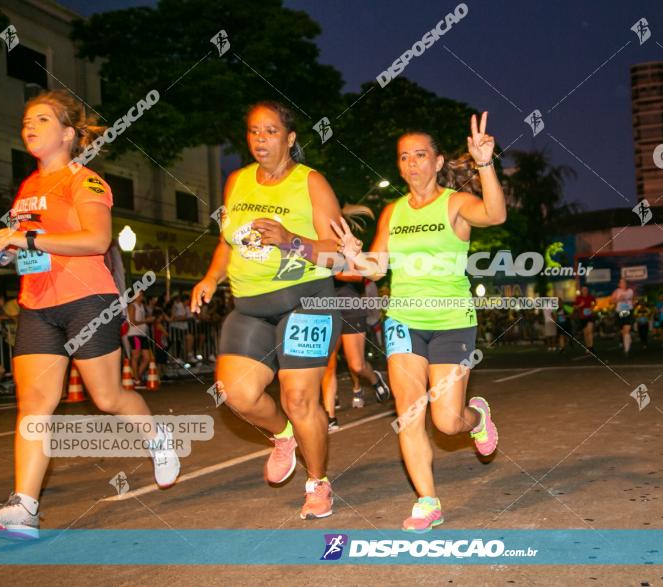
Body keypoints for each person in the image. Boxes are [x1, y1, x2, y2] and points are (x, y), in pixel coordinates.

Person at [0, 90, 178, 538]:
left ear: (69, 134)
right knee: (35, 405)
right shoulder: (28, 188)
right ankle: (25, 507)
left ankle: (158, 439)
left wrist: (27, 241)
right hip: (37, 303)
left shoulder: (87, 182)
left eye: (41, 119)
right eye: (25, 122)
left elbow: (95, 240)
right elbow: (28, 249)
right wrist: (5, 250)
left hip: (87, 300)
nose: (29, 127)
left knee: (108, 397)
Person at [332, 113, 505, 532]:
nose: (412, 164)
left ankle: (477, 418)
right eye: (404, 157)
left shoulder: (456, 204)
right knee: (409, 415)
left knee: (447, 422)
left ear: (439, 161)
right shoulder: (392, 212)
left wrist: (485, 164)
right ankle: (428, 501)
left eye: (421, 155)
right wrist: (356, 256)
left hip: (451, 321)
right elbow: (377, 269)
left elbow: (496, 215)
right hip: (403, 322)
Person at [190, 101, 343, 520]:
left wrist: (291, 238)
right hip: (251, 307)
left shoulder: (311, 183)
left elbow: (341, 255)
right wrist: (210, 278)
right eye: (255, 132)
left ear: (290, 139)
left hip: (306, 301)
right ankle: (284, 436)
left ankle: (318, 483)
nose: (261, 139)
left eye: (271, 131)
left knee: (298, 397)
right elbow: (227, 241)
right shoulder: (237, 181)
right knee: (236, 393)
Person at [321, 264, 391, 432]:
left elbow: (360, 276)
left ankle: (374, 378)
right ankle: (330, 417)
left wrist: (331, 270)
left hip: (350, 306)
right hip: (325, 307)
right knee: (328, 364)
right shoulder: (313, 244)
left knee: (356, 365)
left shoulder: (346, 245)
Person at [126, 290, 153, 388]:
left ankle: (136, 377)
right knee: (136, 356)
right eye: (140, 295)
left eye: (142, 295)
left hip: (142, 335)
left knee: (147, 358)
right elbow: (132, 322)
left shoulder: (142, 306)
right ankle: (136, 379)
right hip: (135, 335)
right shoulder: (132, 306)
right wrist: (146, 320)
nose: (142, 297)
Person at [611, 278, 634, 356]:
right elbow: (611, 301)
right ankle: (628, 341)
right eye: (621, 282)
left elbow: (630, 298)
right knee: (623, 331)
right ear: (619, 284)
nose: (622, 284)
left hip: (627, 311)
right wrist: (617, 299)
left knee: (626, 330)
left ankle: (626, 350)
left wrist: (622, 298)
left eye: (624, 282)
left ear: (626, 284)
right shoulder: (616, 291)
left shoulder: (630, 291)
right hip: (619, 312)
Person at [573, 285, 596, 353]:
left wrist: (592, 308)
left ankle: (591, 347)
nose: (585, 291)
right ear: (581, 291)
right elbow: (574, 307)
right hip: (582, 317)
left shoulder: (590, 297)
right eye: (584, 290)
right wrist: (580, 305)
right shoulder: (578, 298)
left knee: (590, 331)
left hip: (589, 316)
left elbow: (595, 303)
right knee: (585, 333)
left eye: (586, 290)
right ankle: (588, 347)